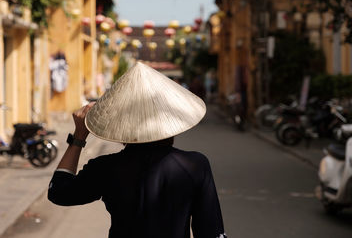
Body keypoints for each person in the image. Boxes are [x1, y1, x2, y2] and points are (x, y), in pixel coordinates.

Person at [48, 62, 226, 238]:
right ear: (171, 122)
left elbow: (59, 192)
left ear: (120, 126)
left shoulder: (105, 168)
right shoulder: (195, 165)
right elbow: (211, 231)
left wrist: (78, 137)